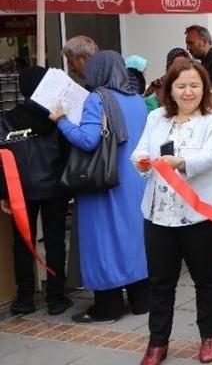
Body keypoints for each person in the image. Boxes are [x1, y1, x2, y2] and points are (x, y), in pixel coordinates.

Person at [132, 60, 212, 365]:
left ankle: (209, 335)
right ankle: (157, 342)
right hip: (159, 214)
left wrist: (178, 161)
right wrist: (140, 161)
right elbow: (140, 149)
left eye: (194, 85)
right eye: (181, 86)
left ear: (204, 88)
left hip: (201, 215)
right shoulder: (155, 118)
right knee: (160, 282)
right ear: (170, 90)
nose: (188, 92)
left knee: (206, 278)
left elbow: (211, 156)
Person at [50, 50, 149, 323]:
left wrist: (62, 121)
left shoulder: (97, 99)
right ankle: (142, 299)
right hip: (135, 180)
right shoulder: (137, 100)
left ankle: (108, 306)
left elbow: (88, 140)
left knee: (104, 242)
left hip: (105, 183)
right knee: (133, 239)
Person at [0, 66, 73, 317]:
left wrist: (3, 193)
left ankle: (24, 298)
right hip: (55, 188)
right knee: (54, 242)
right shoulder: (56, 117)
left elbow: (2, 158)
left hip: (19, 191)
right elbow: (68, 152)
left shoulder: (8, 120)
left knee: (22, 243)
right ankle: (56, 298)